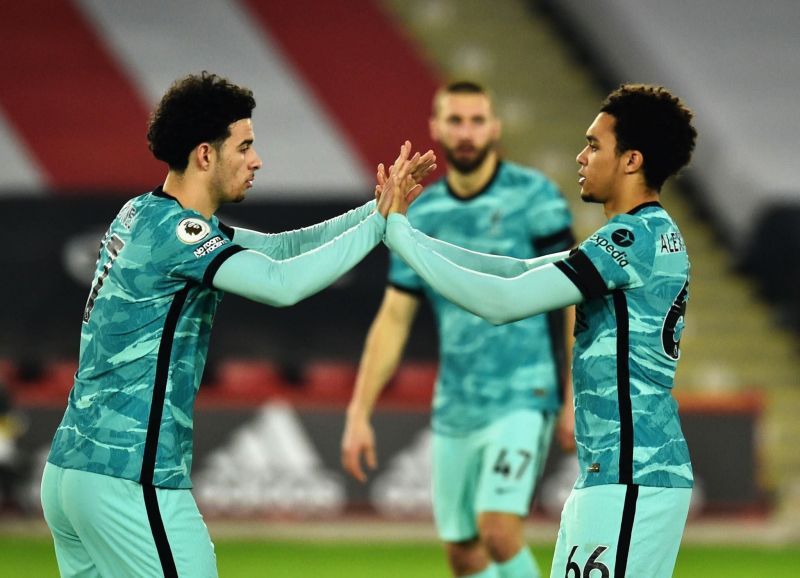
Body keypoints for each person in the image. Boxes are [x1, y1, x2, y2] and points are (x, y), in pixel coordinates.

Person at [39, 71, 435, 578]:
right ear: (206, 154)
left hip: (70, 472)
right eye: (245, 145)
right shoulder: (181, 234)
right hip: (129, 475)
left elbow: (278, 248)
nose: (257, 160)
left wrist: (377, 208)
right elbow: (282, 283)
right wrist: (385, 223)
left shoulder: (142, 213)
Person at [381, 84, 697, 578]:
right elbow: (515, 272)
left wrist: (399, 235)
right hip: (613, 473)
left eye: (594, 145)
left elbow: (503, 302)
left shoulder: (631, 239)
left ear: (631, 160)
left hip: (634, 473)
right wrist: (406, 233)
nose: (581, 156)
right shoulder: (642, 234)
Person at [341, 81, 576, 578]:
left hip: (524, 391)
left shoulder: (533, 197)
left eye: (476, 120)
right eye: (455, 120)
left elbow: (575, 295)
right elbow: (394, 317)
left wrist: (574, 393)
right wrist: (360, 411)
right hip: (456, 404)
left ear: (494, 127)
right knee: (463, 552)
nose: (466, 132)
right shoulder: (422, 214)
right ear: (436, 128)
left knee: (498, 529)